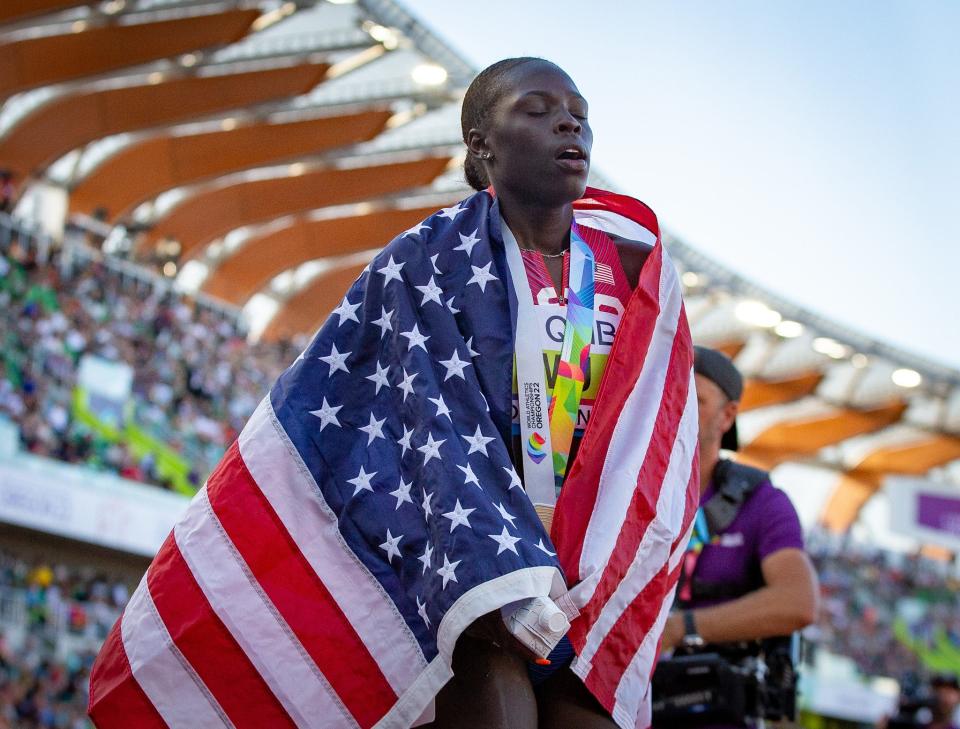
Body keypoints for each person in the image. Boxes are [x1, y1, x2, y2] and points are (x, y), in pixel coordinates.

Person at [89, 57, 697, 729]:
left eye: (579, 113)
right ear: (481, 142)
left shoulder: (635, 277)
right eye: (537, 108)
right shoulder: (426, 259)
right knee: (495, 694)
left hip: (583, 562)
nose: (568, 122)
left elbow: (654, 438)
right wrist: (496, 564)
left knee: (589, 715)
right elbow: (414, 419)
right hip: (463, 550)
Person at [653, 346, 818, 728]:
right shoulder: (628, 480)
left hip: (713, 708)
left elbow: (798, 602)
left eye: (696, 398)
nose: (680, 406)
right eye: (671, 391)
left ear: (728, 416)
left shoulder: (762, 502)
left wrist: (680, 629)